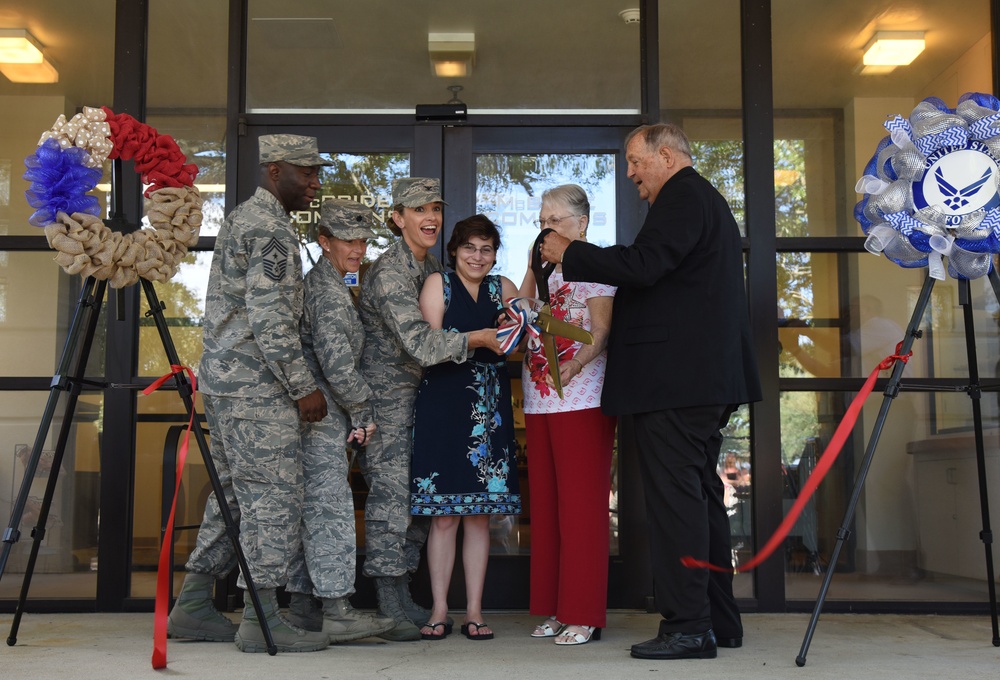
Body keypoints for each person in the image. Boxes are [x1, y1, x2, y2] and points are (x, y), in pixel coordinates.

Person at [539, 123, 762, 660]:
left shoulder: (684, 196)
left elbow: (644, 266)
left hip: (677, 382)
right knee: (700, 499)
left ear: (665, 155)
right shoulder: (699, 200)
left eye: (636, 162)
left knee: (677, 506)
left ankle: (687, 626)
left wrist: (574, 252)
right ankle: (717, 622)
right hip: (694, 380)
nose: (632, 173)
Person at [167, 134, 331, 653]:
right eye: (305, 172)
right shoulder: (272, 231)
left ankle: (193, 603)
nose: (315, 181)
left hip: (228, 384)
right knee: (272, 496)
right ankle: (261, 616)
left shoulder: (247, 218)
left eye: (317, 171)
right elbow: (271, 318)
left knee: (233, 496)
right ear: (274, 169)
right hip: (256, 389)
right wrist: (303, 386)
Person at [357, 178, 502, 641]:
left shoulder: (433, 266)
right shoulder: (390, 272)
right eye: (419, 209)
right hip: (388, 403)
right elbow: (420, 344)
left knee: (419, 508)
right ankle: (389, 601)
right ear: (398, 218)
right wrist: (479, 338)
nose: (431, 217)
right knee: (391, 504)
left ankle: (407, 598)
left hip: (425, 404)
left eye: (436, 208)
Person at [284, 199, 396, 643]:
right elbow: (338, 366)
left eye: (364, 239)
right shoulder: (327, 292)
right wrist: (365, 411)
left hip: (325, 418)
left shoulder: (333, 283)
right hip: (325, 419)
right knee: (329, 510)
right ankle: (337, 610)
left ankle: (305, 606)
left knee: (313, 509)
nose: (359, 248)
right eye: (349, 240)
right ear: (324, 241)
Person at [409, 215, 521, 641]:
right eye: (470, 248)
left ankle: (474, 610)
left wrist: (525, 322)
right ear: (455, 250)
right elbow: (429, 346)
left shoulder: (503, 288)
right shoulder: (439, 284)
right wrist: (477, 338)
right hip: (443, 406)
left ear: (495, 254)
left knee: (478, 518)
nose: (478, 256)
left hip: (490, 413)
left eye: (487, 249)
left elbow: (524, 336)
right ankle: (439, 609)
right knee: (443, 519)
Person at [519, 184, 616, 646]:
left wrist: (574, 364)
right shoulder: (540, 266)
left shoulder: (593, 266)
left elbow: (600, 333)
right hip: (539, 399)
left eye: (555, 221)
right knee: (549, 507)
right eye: (542, 221)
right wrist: (516, 309)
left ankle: (584, 613)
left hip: (582, 399)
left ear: (581, 224)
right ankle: (557, 609)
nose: (546, 230)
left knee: (582, 507)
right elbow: (520, 311)